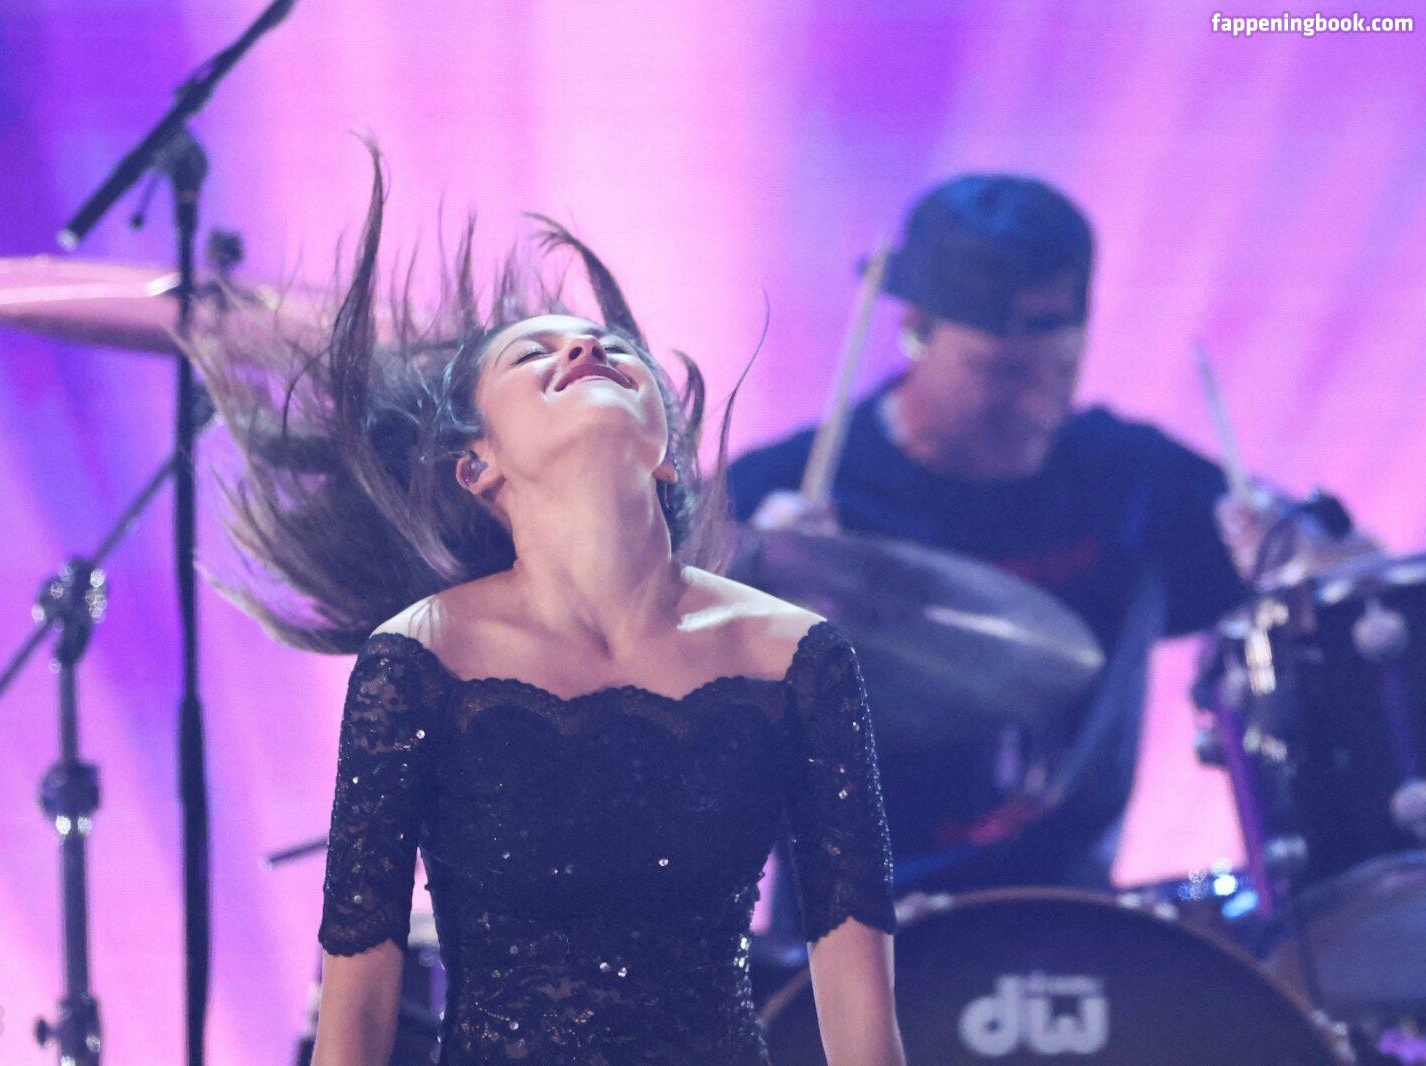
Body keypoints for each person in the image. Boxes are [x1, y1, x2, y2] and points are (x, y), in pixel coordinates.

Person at [193, 149, 907, 1065]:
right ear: (477, 467)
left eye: (616, 351)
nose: (586, 350)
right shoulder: (421, 658)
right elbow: (356, 1007)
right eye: (536, 352)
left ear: (667, 454)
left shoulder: (795, 655)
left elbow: (860, 1005)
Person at [729, 173, 1367, 898]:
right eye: (999, 373)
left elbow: (1354, 584)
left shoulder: (1132, 479)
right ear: (916, 331)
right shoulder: (788, 488)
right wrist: (753, 585)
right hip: (849, 923)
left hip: (1071, 917)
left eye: (1060, 370)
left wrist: (1297, 559)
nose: (1036, 407)